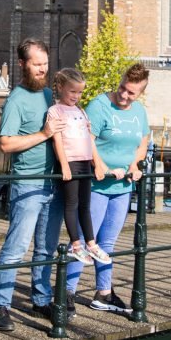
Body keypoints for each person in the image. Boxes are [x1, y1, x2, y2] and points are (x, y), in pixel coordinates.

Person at [0, 38, 66, 332]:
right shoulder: (16, 99)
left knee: (46, 247)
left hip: (53, 183)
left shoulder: (49, 95)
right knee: (17, 246)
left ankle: (41, 298)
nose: (43, 69)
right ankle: (0, 304)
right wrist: (44, 133)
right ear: (22, 64)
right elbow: (6, 144)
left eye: (45, 63)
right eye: (37, 64)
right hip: (28, 183)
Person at [66, 63, 150, 313]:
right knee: (82, 241)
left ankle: (103, 293)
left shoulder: (140, 113)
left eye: (131, 93)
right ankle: (67, 293)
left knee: (108, 243)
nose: (124, 96)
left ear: (140, 93)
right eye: (123, 88)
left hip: (122, 187)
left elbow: (143, 141)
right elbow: (86, 139)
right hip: (97, 185)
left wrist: (135, 164)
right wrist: (99, 165)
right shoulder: (100, 106)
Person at [48, 68, 111, 265]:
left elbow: (89, 140)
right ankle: (76, 245)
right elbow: (57, 140)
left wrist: (97, 164)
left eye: (80, 92)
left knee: (85, 204)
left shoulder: (81, 112)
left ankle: (91, 244)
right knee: (72, 203)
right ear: (60, 88)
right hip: (70, 162)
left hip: (85, 163)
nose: (77, 96)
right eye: (72, 91)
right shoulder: (55, 111)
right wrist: (64, 165)